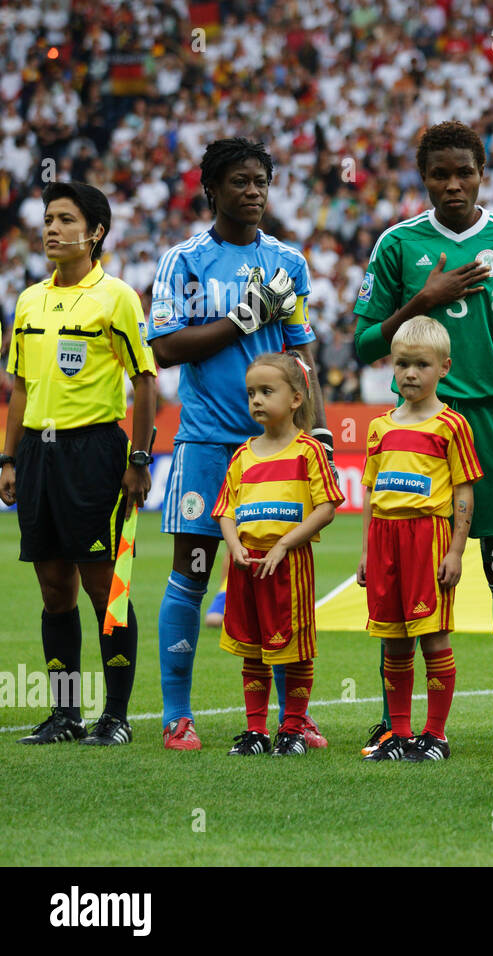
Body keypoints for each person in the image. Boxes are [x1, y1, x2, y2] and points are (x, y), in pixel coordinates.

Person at [353, 121, 493, 756]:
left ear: (482, 171)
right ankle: (396, 724)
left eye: (464, 171)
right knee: (403, 578)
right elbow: (362, 343)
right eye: (440, 173)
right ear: (423, 177)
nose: (453, 184)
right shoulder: (397, 244)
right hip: (416, 427)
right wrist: (421, 298)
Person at [149, 137, 330, 751]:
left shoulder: (289, 262)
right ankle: (177, 714)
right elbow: (165, 349)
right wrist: (242, 320)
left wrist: (321, 428)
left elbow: (302, 350)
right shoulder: (185, 261)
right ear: (212, 190)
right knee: (193, 573)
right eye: (240, 182)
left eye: (261, 182)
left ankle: (291, 718)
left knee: (278, 577)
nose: (253, 192)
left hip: (278, 450)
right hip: (206, 444)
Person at [1, 181, 157, 746]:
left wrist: (138, 458)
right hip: (38, 458)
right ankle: (65, 715)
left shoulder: (116, 296)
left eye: (65, 219)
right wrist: (8, 457)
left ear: (95, 232)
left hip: (93, 452)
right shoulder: (27, 300)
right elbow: (19, 386)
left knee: (103, 590)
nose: (51, 229)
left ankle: (114, 718)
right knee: (52, 589)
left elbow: (144, 382)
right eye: (47, 219)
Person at [357, 318, 480, 761]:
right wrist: (367, 550)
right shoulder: (379, 427)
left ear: (444, 368)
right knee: (393, 639)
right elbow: (371, 492)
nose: (410, 373)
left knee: (433, 636)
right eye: (402, 363)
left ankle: (436, 735)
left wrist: (456, 550)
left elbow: (464, 489)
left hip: (427, 538)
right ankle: (401, 734)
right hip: (385, 540)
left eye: (421, 365)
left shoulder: (452, 425)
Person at [214, 354, 342, 756]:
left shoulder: (308, 452)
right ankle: (255, 731)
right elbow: (226, 510)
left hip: (289, 565)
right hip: (247, 566)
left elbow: (327, 507)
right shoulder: (242, 455)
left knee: (294, 648)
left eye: (267, 391)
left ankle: (292, 728)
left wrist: (286, 543)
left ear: (296, 399)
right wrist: (234, 546)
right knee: (253, 649)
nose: (256, 400)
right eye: (251, 392)